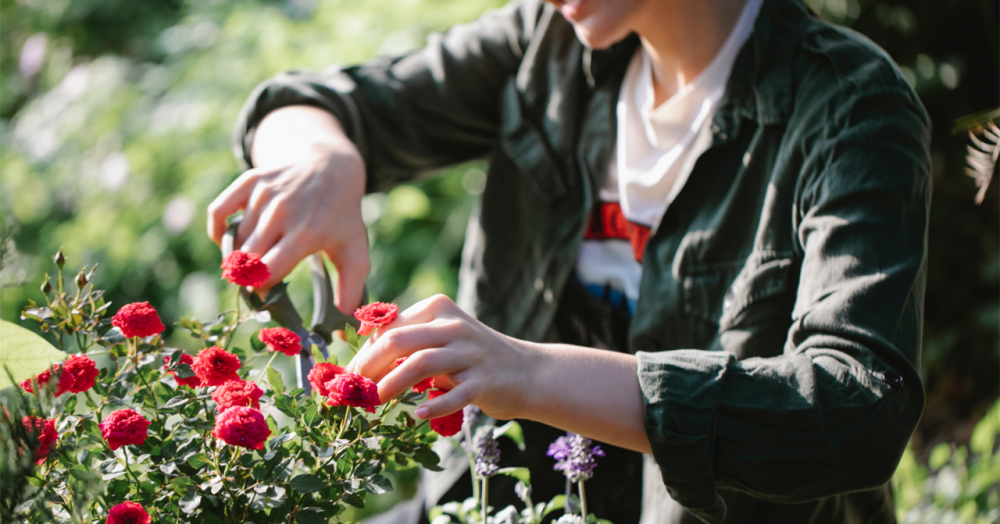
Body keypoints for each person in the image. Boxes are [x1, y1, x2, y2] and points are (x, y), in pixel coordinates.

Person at [208, 0, 931, 521]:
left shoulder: (848, 104)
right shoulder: (544, 42)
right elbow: (314, 103)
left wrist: (528, 373)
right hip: (491, 504)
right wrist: (321, 159)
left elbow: (854, 409)